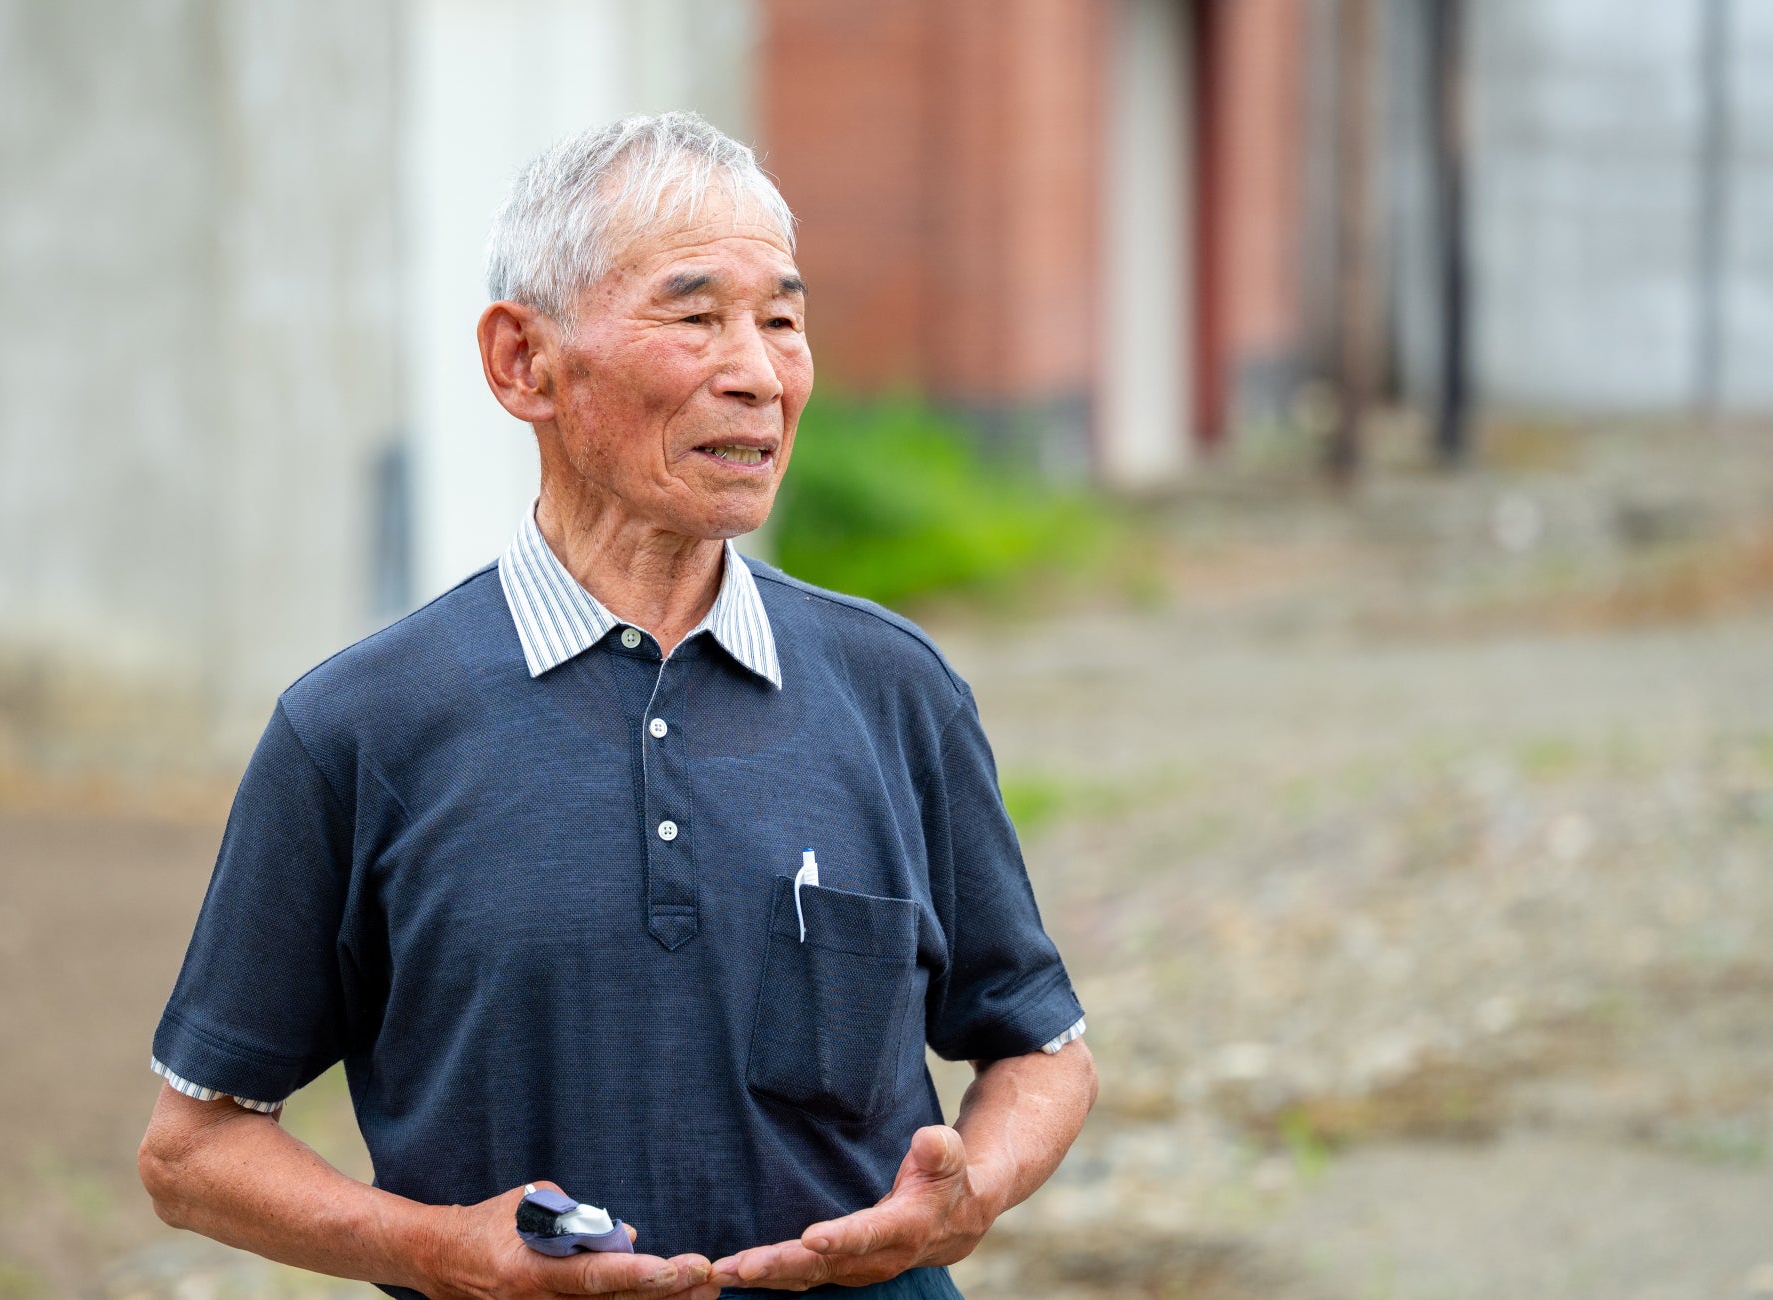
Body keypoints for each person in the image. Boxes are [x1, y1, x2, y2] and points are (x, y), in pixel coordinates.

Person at [137, 112, 1095, 1300]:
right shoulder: (359, 729)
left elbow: (1041, 1049)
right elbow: (193, 1152)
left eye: (783, 320)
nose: (757, 371)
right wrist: (438, 1250)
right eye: (696, 317)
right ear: (522, 363)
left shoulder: (895, 688)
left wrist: (974, 1188)